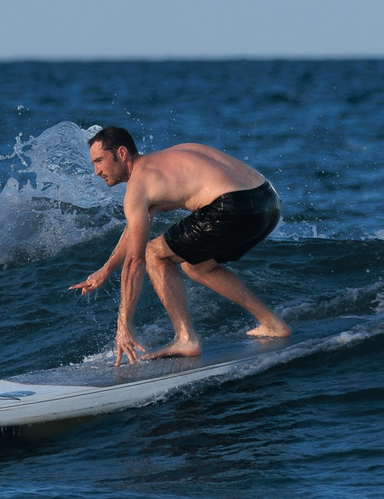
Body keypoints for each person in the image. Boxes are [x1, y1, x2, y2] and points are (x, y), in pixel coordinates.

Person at [69, 125, 288, 362]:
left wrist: (123, 325)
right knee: (197, 266)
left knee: (155, 254)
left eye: (99, 161)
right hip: (267, 201)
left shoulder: (138, 185)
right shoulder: (166, 160)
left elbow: (135, 260)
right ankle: (272, 324)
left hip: (232, 206)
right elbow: (134, 230)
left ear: (121, 153)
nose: (96, 171)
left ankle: (186, 338)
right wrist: (107, 269)